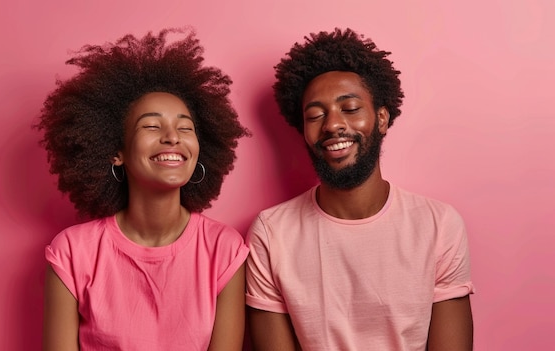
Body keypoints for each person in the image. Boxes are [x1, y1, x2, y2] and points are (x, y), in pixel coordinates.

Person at [245, 28, 475, 350]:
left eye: (350, 108)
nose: (333, 124)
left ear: (381, 118)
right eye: (315, 114)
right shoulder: (271, 233)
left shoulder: (438, 225)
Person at [36, 28, 250, 351]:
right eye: (151, 125)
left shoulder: (224, 250)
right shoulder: (72, 253)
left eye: (185, 127)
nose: (172, 137)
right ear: (116, 151)